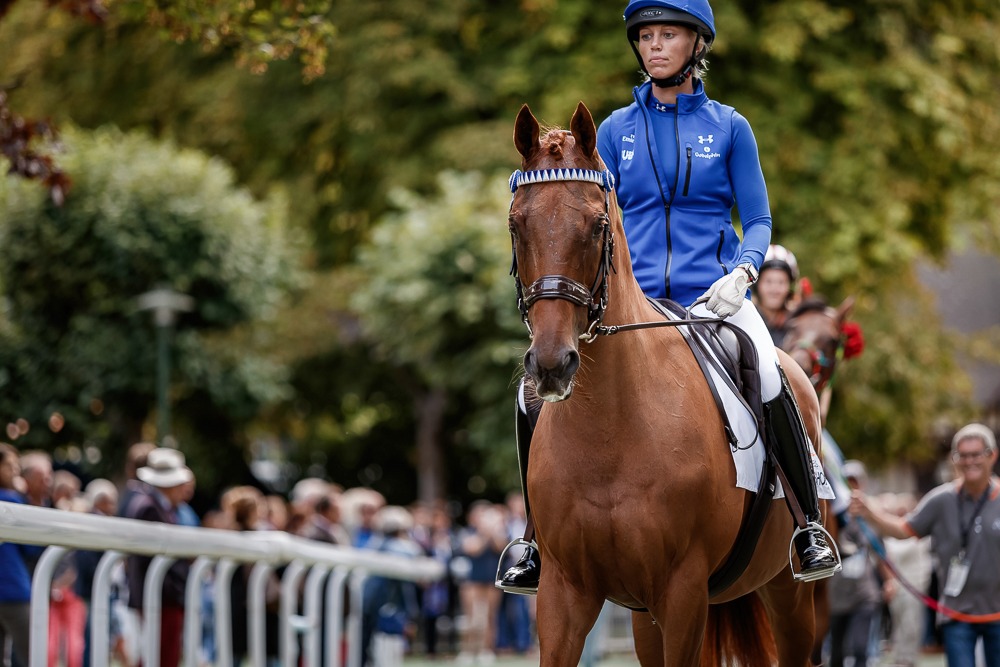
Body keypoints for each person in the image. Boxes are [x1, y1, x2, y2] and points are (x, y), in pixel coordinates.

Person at [498, 0, 840, 595]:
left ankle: (809, 526)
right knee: (534, 391)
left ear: (697, 45)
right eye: (647, 36)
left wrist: (744, 271)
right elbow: (585, 210)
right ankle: (531, 538)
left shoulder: (731, 127)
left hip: (716, 299)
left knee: (772, 372)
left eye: (669, 35)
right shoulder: (611, 130)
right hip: (634, 304)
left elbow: (756, 218)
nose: (655, 46)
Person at [849, 423, 1000, 667]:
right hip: (955, 615)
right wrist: (870, 512)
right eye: (963, 455)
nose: (969, 461)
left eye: (976, 454)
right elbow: (903, 530)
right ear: (954, 459)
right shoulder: (941, 500)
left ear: (992, 456)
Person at [123, 447, 195, 667]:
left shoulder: (156, 506)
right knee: (159, 656)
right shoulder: (149, 508)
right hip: (160, 597)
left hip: (163, 596)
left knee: (162, 654)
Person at [826, 460, 885, 667]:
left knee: (861, 648)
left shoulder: (870, 513)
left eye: (855, 482)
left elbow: (881, 551)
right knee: (837, 652)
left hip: (864, 592)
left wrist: (890, 581)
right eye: (847, 481)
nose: (852, 486)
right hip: (836, 593)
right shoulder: (830, 514)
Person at [753, 243, 801, 346]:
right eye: (768, 281)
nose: (774, 289)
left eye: (781, 282)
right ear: (757, 285)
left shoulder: (797, 324)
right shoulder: (746, 320)